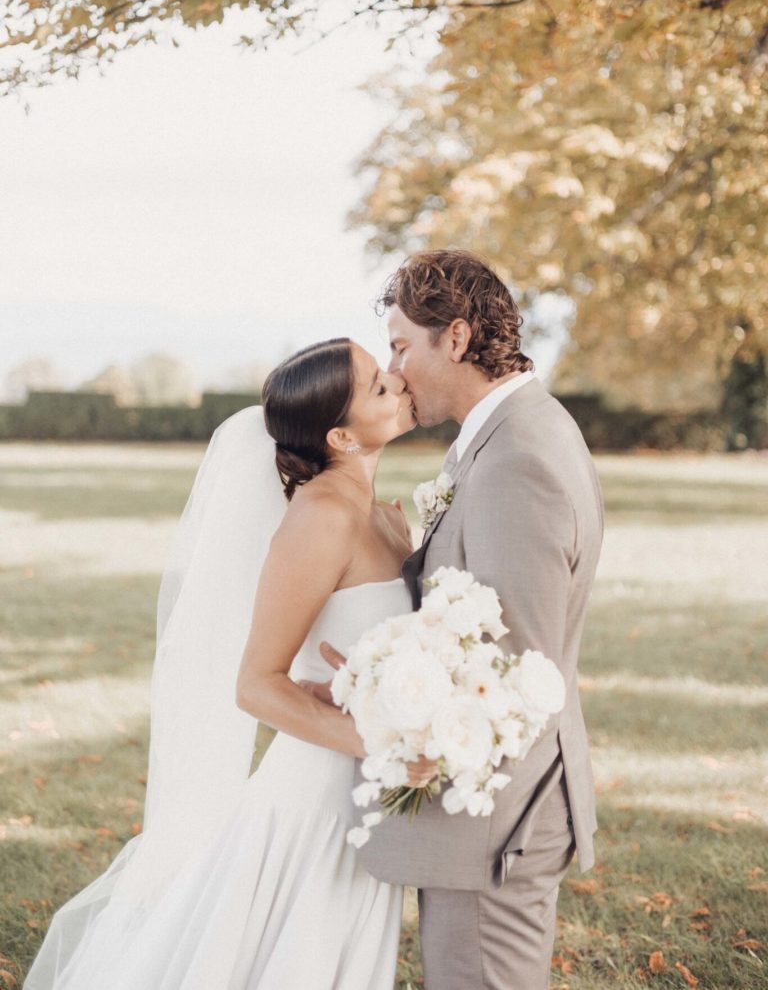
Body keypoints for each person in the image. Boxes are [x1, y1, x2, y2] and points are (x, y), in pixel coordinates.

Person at [24, 337, 418, 990]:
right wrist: (380, 742)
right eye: (379, 385)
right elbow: (256, 685)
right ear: (342, 436)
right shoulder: (322, 515)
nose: (399, 382)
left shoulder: (384, 518)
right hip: (310, 807)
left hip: (364, 801)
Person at [321, 250, 604, 990]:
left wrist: (378, 698)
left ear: (455, 337)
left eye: (401, 345)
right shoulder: (503, 434)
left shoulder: (517, 457)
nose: (395, 367)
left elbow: (516, 668)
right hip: (489, 813)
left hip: (497, 824)